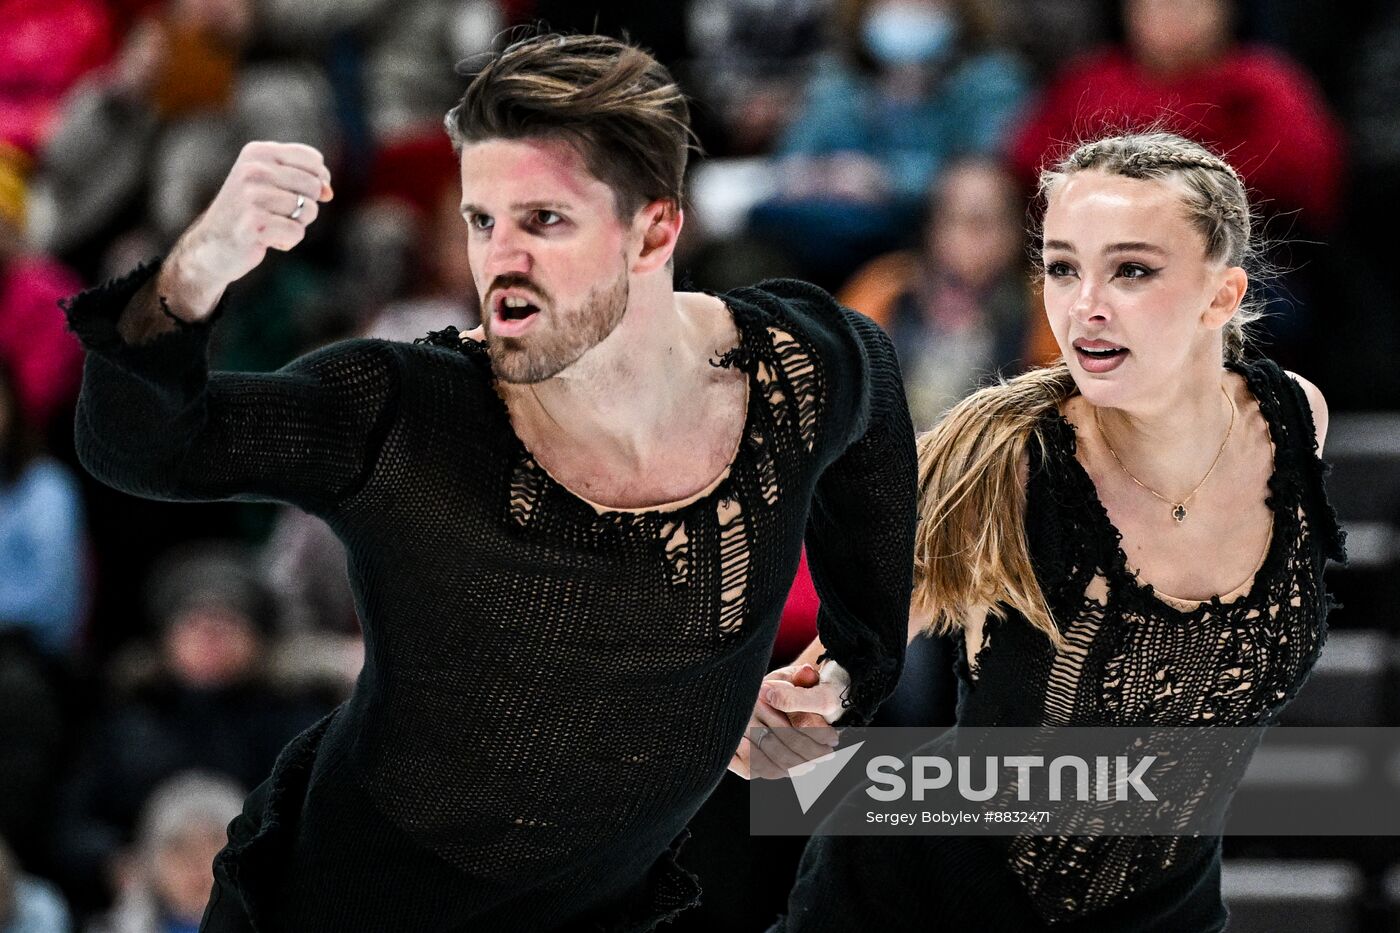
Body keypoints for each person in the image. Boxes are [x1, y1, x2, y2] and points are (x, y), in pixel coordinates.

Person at [59, 32, 917, 932]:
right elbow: (142, 448)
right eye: (481, 220)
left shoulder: (795, 369)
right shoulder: (408, 416)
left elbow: (874, 405)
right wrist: (201, 262)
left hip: (606, 908)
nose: (499, 259)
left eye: (544, 220)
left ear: (654, 230)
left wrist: (847, 671)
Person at [755, 131, 1345, 931]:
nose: (1084, 304)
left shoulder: (1292, 418)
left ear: (1222, 294)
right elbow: (851, 649)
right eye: (1064, 266)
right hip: (930, 896)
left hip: (1169, 908)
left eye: (1131, 269)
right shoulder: (1008, 451)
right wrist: (794, 711)